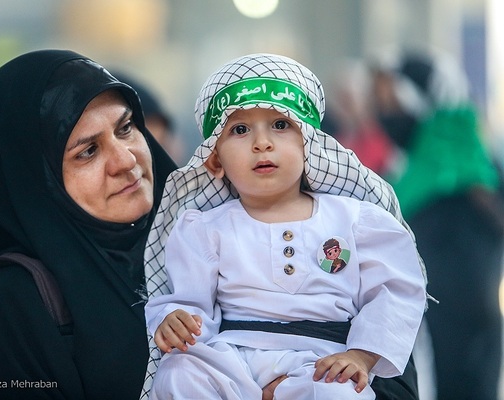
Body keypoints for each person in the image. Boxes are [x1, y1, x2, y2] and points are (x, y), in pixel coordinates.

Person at [143, 53, 427, 399]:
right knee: (179, 373)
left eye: (280, 125)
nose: (261, 143)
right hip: (232, 360)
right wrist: (174, 319)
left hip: (324, 361)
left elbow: (394, 293)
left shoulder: (356, 219)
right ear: (215, 159)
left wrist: (361, 356)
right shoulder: (203, 228)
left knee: (342, 393)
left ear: (310, 143)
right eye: (240, 129)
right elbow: (189, 306)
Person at [0, 49, 177, 399]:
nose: (125, 160)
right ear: (34, 184)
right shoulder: (17, 308)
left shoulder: (204, 241)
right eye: (87, 152)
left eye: (125, 128)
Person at [369, 48, 504, 400]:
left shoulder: (463, 182)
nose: (385, 115)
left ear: (418, 105)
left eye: (392, 104)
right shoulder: (409, 171)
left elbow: (465, 292)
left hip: (462, 342)